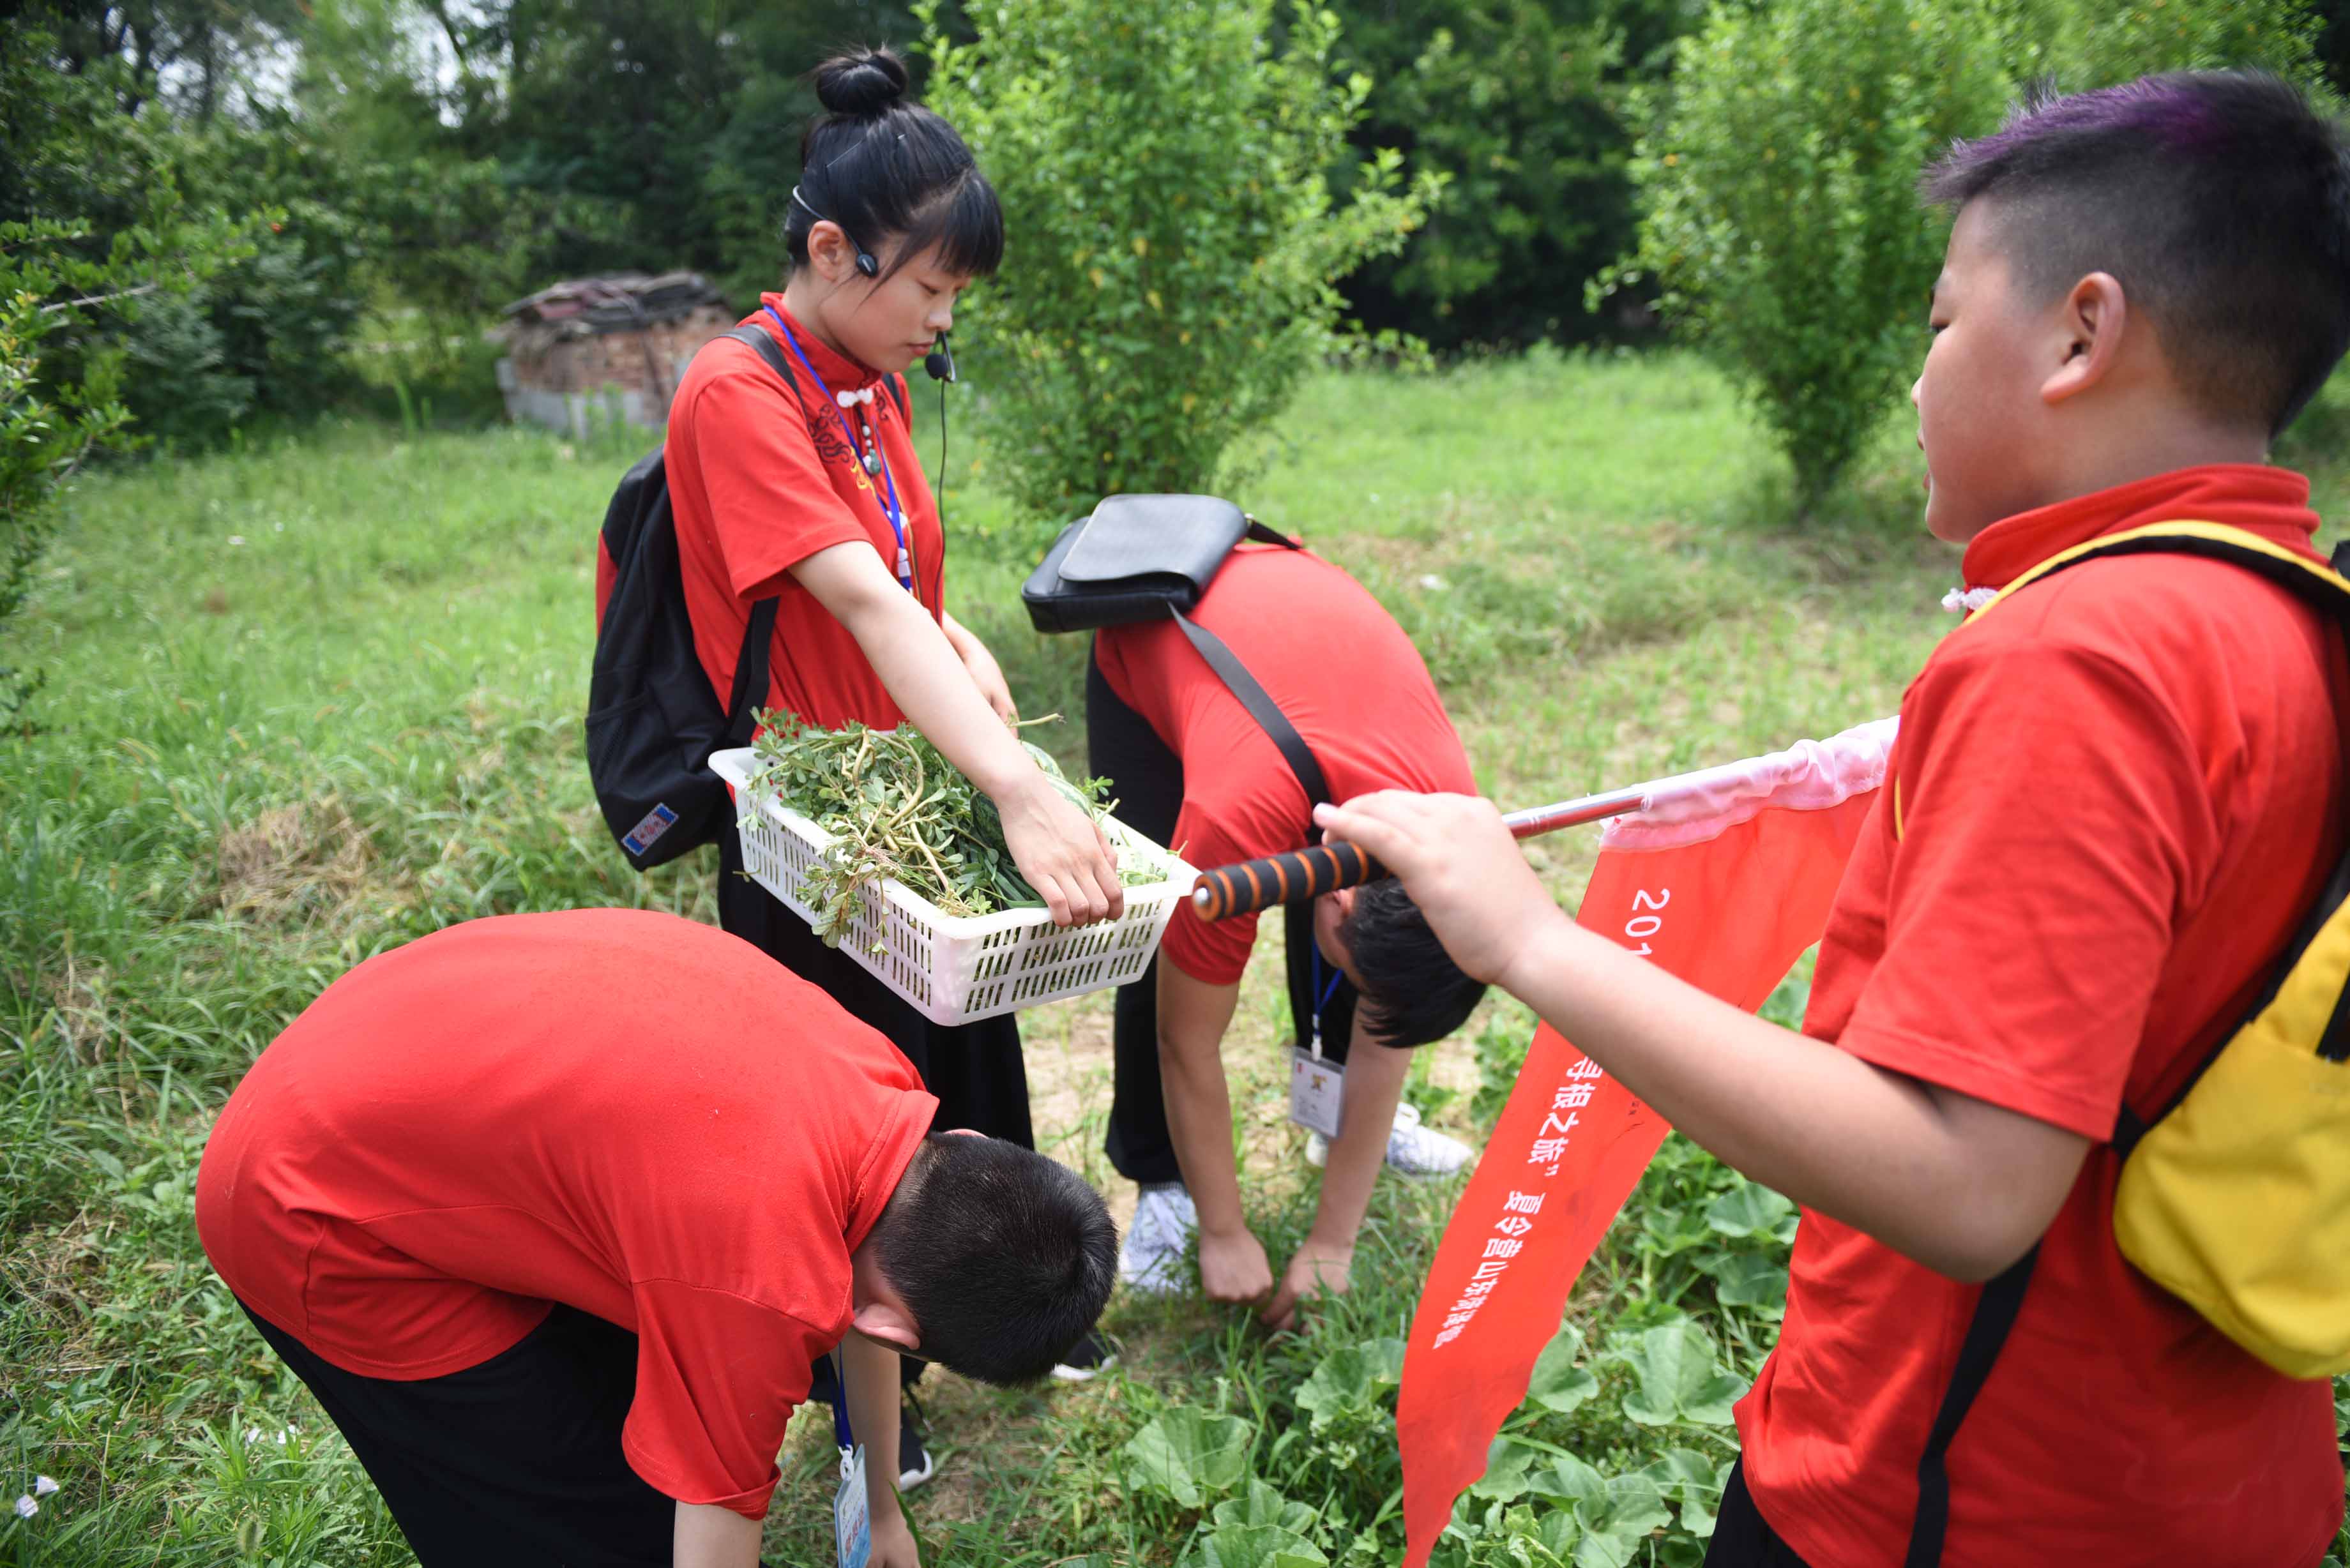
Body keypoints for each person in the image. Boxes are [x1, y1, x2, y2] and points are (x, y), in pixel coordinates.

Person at [1319, 72, 2350, 1568]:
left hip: (1954, 1500)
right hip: (2202, 1466)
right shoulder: (2289, 616)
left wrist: (1527, 937)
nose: (1917, 375)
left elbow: (1964, 1182)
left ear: (2079, 330)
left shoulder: (2080, 654)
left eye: (1939, 321)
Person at [662, 50, 1123, 1445]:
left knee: (961, 1053)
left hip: (899, 772)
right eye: (928, 286)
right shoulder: (736, 396)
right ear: (829, 250)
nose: (940, 316)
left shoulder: (870, 376)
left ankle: (1006, 1300)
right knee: (840, 1102)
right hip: (810, 805)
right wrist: (1018, 778)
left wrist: (968, 646)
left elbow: (899, 579)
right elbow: (849, 595)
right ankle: (867, 1387)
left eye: (953, 296)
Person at [194, 908, 1117, 1568]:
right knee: (586, 1536)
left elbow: (864, 1310)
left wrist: (882, 1516)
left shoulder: (884, 1092)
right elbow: (717, 1520)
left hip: (384, 1047)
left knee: (618, 1443)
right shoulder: (757, 1281)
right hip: (310, 1208)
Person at [1090, 541, 1489, 1328]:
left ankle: (1335, 1127)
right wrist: (1225, 1229)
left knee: (1379, 970)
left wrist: (1331, 1242)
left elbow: (1391, 1016)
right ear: (1332, 901)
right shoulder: (1232, 824)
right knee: (1153, 930)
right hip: (1159, 628)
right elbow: (1188, 1042)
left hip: (1298, 646)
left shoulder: (1455, 828)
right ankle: (1163, 1178)